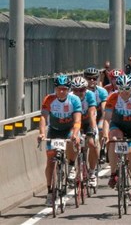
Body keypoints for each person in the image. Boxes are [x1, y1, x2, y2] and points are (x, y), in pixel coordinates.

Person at [39, 74, 83, 206]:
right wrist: (41, 133)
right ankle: (49, 191)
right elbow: (43, 118)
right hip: (54, 130)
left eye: (64, 89)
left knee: (72, 140)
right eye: (59, 89)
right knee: (50, 161)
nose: (61, 91)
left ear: (68, 89)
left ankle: (70, 166)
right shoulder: (49, 99)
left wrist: (75, 133)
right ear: (56, 89)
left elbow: (77, 120)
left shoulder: (74, 100)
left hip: (69, 129)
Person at [103, 75, 131, 202]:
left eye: (127, 89)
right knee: (114, 140)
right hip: (118, 125)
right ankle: (113, 173)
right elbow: (106, 119)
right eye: (121, 89)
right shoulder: (113, 97)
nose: (124, 92)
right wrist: (105, 135)